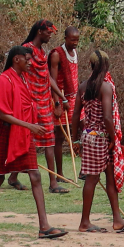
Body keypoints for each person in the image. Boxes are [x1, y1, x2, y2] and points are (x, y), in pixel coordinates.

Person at [0, 44, 66, 239]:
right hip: (8, 133)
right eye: (27, 59)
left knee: (35, 175)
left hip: (23, 133)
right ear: (16, 59)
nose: (30, 63)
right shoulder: (4, 79)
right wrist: (29, 126)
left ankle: (44, 226)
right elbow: (3, 114)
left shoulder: (23, 79)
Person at [77, 50, 124, 233]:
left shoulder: (83, 86)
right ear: (106, 66)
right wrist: (113, 139)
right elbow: (107, 117)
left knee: (105, 177)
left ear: (91, 66)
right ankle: (85, 222)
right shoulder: (106, 87)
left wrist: (78, 139)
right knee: (94, 178)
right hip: (102, 137)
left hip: (89, 136)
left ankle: (117, 219)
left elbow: (76, 115)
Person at [20, 21, 65, 193]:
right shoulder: (26, 49)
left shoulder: (42, 52)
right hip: (29, 102)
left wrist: (61, 99)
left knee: (49, 140)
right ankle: (13, 176)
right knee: (26, 139)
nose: (50, 36)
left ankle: (53, 182)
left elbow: (47, 78)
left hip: (44, 101)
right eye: (48, 33)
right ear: (39, 32)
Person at [48, 27, 82, 163]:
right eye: (72, 40)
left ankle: (84, 169)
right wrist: (58, 104)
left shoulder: (74, 52)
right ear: (66, 38)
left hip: (75, 97)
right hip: (62, 98)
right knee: (60, 136)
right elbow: (53, 81)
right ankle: (60, 173)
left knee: (84, 128)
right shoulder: (57, 54)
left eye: (77, 40)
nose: (75, 43)